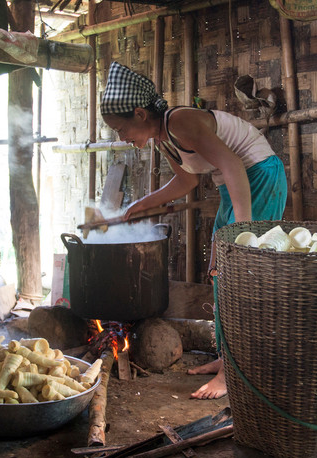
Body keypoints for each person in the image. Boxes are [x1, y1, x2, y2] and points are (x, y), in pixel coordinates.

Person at [100, 61, 287, 399]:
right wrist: (138, 206)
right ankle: (225, 359)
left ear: (140, 114)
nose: (121, 137)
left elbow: (232, 164)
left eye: (120, 128)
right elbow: (186, 180)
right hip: (236, 185)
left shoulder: (181, 121)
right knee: (219, 273)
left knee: (238, 273)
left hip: (258, 176)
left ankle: (236, 372)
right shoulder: (164, 139)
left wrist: (241, 231)